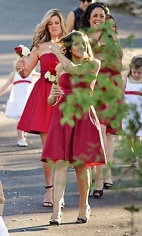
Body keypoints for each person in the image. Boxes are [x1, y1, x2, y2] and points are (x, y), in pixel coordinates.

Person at [41, 32, 105, 225]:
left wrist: (56, 52)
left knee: (80, 165)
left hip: (84, 113)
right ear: (69, 47)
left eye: (84, 44)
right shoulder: (60, 67)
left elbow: (76, 70)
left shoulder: (93, 64)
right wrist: (53, 94)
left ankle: (83, 206)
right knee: (60, 162)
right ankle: (56, 211)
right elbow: (52, 100)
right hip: (64, 113)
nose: (81, 48)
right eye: (76, 45)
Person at [15, 8, 67, 208]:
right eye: (50, 23)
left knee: (62, 148)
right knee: (47, 148)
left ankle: (59, 192)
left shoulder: (69, 44)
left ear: (62, 24)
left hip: (63, 94)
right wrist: (21, 68)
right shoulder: (39, 46)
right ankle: (49, 190)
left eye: (56, 23)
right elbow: (26, 73)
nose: (54, 26)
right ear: (46, 26)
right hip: (44, 96)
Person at [83, 1, 124, 197]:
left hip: (108, 86)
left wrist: (98, 56)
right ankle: (101, 172)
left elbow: (117, 65)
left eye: (101, 15)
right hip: (90, 86)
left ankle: (101, 176)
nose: (98, 18)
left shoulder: (112, 38)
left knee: (105, 131)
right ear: (89, 18)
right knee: (96, 131)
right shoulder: (83, 37)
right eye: (94, 15)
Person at [0, 57, 38, 146]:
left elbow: (43, 76)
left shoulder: (31, 74)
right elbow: (6, 85)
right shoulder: (14, 74)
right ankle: (20, 138)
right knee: (20, 118)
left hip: (28, 100)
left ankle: (23, 136)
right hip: (18, 99)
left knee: (26, 119)